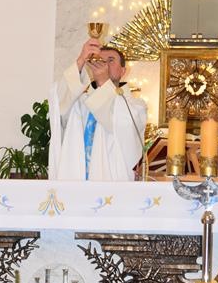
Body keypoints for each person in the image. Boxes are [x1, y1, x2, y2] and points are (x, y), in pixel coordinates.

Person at [48, 39, 146, 181]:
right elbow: (59, 104)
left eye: (110, 60)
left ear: (123, 71)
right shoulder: (80, 102)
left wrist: (104, 82)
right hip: (76, 182)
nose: (104, 64)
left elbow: (121, 126)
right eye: (99, 60)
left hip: (112, 187)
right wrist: (81, 60)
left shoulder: (135, 106)